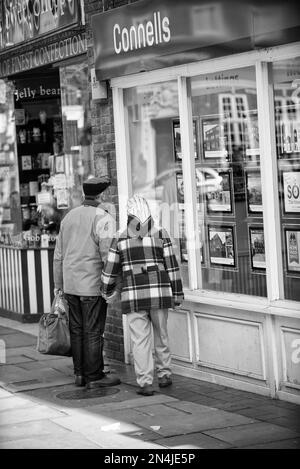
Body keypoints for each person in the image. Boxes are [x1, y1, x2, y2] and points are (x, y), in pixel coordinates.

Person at [101, 194, 184, 396]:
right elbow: (172, 266)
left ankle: (145, 382)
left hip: (133, 297)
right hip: (159, 293)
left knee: (140, 340)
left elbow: (110, 269)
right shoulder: (160, 233)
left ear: (129, 214)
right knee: (161, 335)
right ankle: (164, 375)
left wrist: (106, 290)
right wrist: (178, 293)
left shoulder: (120, 236)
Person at [53, 176, 120, 389]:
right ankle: (95, 375)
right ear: (102, 195)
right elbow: (108, 256)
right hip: (92, 285)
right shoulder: (104, 217)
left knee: (77, 329)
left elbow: (58, 255)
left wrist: (58, 284)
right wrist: (111, 285)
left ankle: (80, 374)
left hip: (71, 284)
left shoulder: (69, 217)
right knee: (93, 331)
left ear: (85, 194)